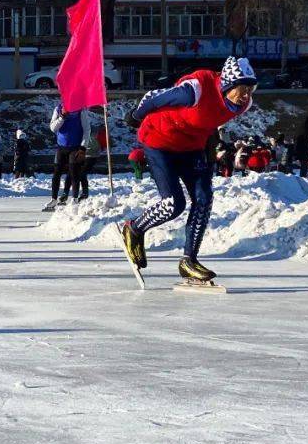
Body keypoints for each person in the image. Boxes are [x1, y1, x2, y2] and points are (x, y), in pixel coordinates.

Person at [118, 56, 258, 285]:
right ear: (228, 85)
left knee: (204, 199)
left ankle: (189, 261)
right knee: (174, 203)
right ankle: (134, 228)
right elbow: (154, 97)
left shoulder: (244, 104)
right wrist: (136, 115)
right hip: (159, 141)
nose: (247, 96)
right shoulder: (195, 90)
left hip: (191, 147)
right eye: (243, 89)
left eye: (251, 89)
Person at [44, 103, 91, 210]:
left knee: (74, 173)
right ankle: (54, 199)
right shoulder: (58, 108)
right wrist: (62, 117)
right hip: (61, 147)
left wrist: (83, 147)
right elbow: (53, 128)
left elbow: (87, 129)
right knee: (56, 173)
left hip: (75, 147)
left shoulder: (81, 110)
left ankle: (74, 199)